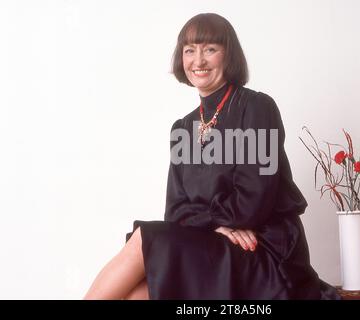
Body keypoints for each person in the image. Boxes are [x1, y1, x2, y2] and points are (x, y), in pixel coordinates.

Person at [84, 13, 340, 300]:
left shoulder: (256, 107)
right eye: (189, 50)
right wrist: (216, 225)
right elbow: (175, 211)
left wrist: (205, 221)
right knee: (137, 295)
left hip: (262, 250)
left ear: (228, 55)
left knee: (145, 238)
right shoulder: (182, 128)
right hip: (213, 244)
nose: (198, 61)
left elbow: (252, 203)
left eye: (210, 49)